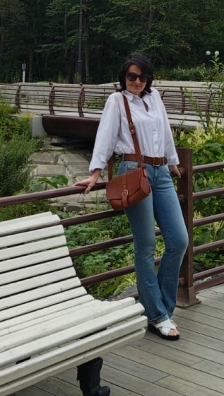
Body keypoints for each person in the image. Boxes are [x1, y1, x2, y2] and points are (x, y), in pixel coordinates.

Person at [76, 53, 188, 341]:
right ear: (123, 77)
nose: (137, 81)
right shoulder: (117, 101)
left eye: (142, 76)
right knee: (146, 243)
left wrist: (173, 163)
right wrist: (95, 173)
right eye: (131, 76)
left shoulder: (155, 97)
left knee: (179, 239)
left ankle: (163, 308)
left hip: (161, 172)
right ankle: (158, 315)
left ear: (149, 78)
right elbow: (105, 137)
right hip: (134, 171)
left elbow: (165, 132)